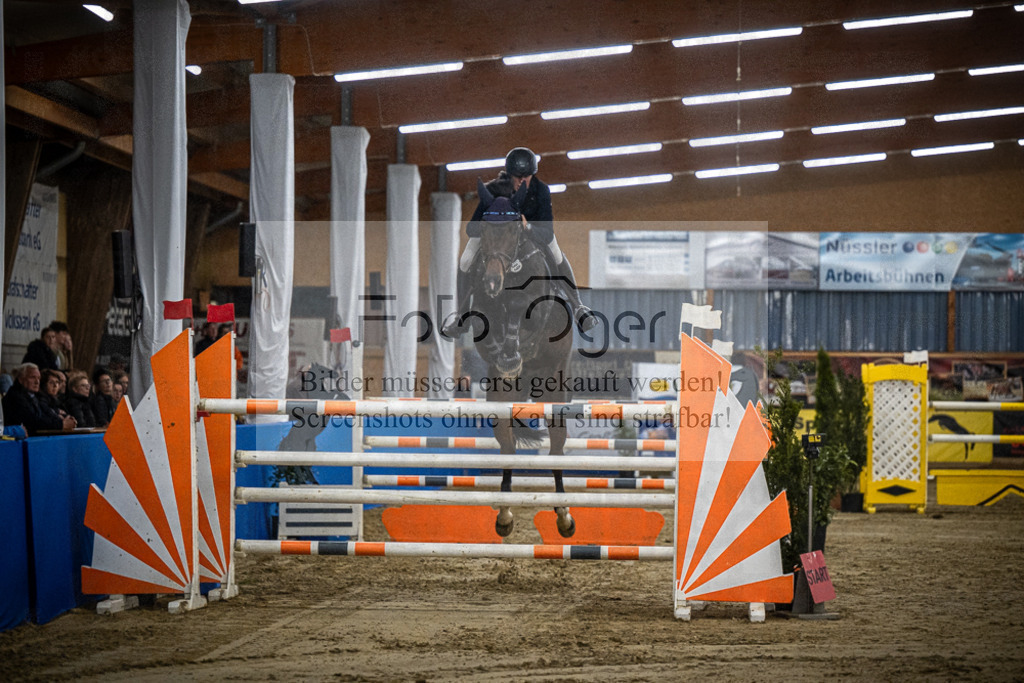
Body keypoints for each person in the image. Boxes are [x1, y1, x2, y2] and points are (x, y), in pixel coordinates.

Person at [441, 147, 595, 338]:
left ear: (533, 175)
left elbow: (547, 233)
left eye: (527, 176)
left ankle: (578, 306)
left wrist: (527, 227)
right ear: (509, 174)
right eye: (517, 176)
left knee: (555, 252)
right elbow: (471, 228)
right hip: (495, 236)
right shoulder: (493, 189)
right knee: (465, 260)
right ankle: (461, 315)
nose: (522, 180)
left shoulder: (541, 191)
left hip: (533, 233)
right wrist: (492, 222)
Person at [1, 362, 76, 434]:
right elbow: (33, 421)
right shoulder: (15, 397)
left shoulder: (33, 396)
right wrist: (61, 424)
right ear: (21, 379)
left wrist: (64, 419)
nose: (37, 382)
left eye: (39, 378)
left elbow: (45, 414)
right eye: (32, 377)